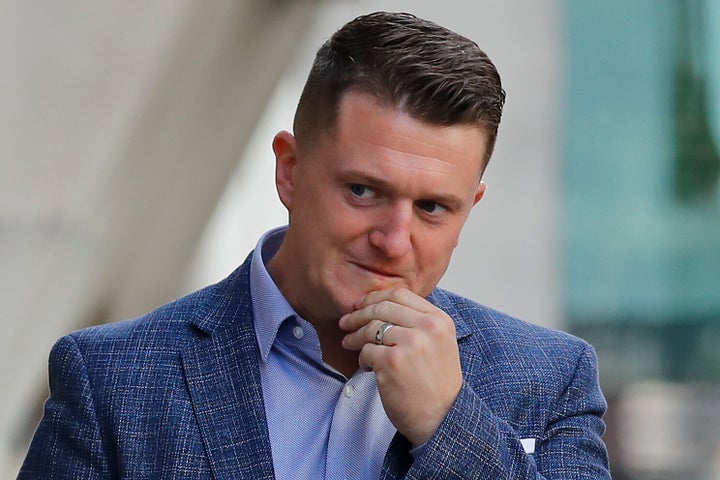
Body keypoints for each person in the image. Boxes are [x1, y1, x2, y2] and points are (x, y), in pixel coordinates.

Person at [18, 11, 610, 479]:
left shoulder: (549, 379)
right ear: (290, 171)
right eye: (362, 190)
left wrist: (449, 426)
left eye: (432, 207)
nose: (393, 240)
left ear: (468, 209)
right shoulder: (113, 379)